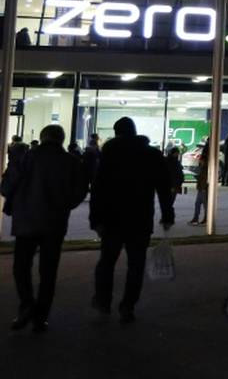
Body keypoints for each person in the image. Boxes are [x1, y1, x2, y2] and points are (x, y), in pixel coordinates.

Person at [1, 124, 87, 332]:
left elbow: (7, 185)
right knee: (48, 271)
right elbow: (80, 191)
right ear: (62, 139)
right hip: (55, 222)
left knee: (21, 266)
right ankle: (41, 317)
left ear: (42, 137)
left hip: (26, 221)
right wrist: (65, 204)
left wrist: (13, 201)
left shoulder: (26, 157)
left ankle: (26, 305)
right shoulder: (71, 162)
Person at [89, 117, 175, 324]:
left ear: (117, 132)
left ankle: (103, 301)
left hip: (112, 218)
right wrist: (167, 214)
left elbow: (98, 189)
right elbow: (164, 187)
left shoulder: (110, 154)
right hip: (140, 217)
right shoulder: (151, 154)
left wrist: (96, 218)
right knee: (136, 264)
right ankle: (128, 306)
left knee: (107, 262)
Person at [188, 142, 209, 226]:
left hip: (204, 189)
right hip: (201, 188)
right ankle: (196, 218)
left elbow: (204, 179)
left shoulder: (206, 169)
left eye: (201, 160)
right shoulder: (203, 168)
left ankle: (205, 219)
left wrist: (203, 188)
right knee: (198, 204)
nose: (199, 161)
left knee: (204, 205)